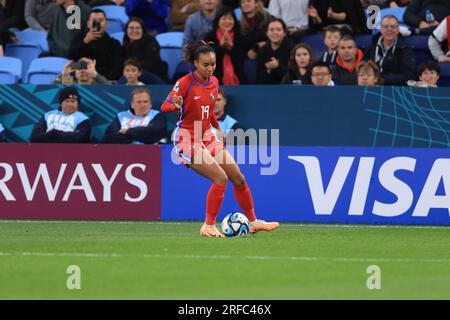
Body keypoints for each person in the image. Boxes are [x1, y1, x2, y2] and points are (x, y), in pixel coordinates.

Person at [160, 41, 279, 237]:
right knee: (220, 178)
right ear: (195, 64)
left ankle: (253, 222)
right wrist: (175, 104)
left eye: (213, 64)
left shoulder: (214, 82)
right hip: (187, 138)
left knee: (238, 178)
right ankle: (208, 225)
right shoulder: (184, 83)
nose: (210, 68)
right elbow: (165, 106)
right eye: (205, 64)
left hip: (207, 135)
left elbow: (209, 111)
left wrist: (216, 128)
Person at [68, 8, 123, 80]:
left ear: (106, 24)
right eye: (94, 20)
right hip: (80, 80)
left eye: (101, 20)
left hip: (104, 83)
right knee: (63, 80)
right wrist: (85, 41)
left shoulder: (114, 44)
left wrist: (98, 78)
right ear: (88, 24)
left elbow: (116, 68)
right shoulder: (79, 40)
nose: (97, 23)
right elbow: (71, 61)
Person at [364, 15, 416, 86]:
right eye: (386, 27)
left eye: (392, 26)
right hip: (371, 88)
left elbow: (409, 76)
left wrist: (382, 79)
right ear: (381, 29)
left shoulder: (405, 49)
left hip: (394, 89)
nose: (389, 29)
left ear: (398, 30)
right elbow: (364, 69)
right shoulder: (370, 48)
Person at [204, 6, 247, 85]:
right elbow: (208, 62)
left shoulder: (240, 38)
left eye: (230, 19)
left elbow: (240, 63)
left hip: (239, 79)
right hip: (213, 79)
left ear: (234, 21)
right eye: (224, 19)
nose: (227, 22)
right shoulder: (209, 37)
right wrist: (221, 46)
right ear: (218, 21)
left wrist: (231, 47)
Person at [122, 17, 169, 83]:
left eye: (138, 28)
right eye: (131, 28)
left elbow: (151, 62)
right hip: (132, 75)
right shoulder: (125, 44)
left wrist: (134, 72)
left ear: (143, 30)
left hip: (153, 75)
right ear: (126, 30)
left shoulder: (151, 41)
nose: (134, 31)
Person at [256, 18, 294, 84]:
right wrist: (268, 71)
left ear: (284, 33)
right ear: (267, 33)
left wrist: (277, 67)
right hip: (268, 90)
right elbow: (259, 79)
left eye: (278, 29)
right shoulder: (262, 51)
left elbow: (295, 76)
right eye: (271, 30)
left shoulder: (292, 49)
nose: (275, 32)